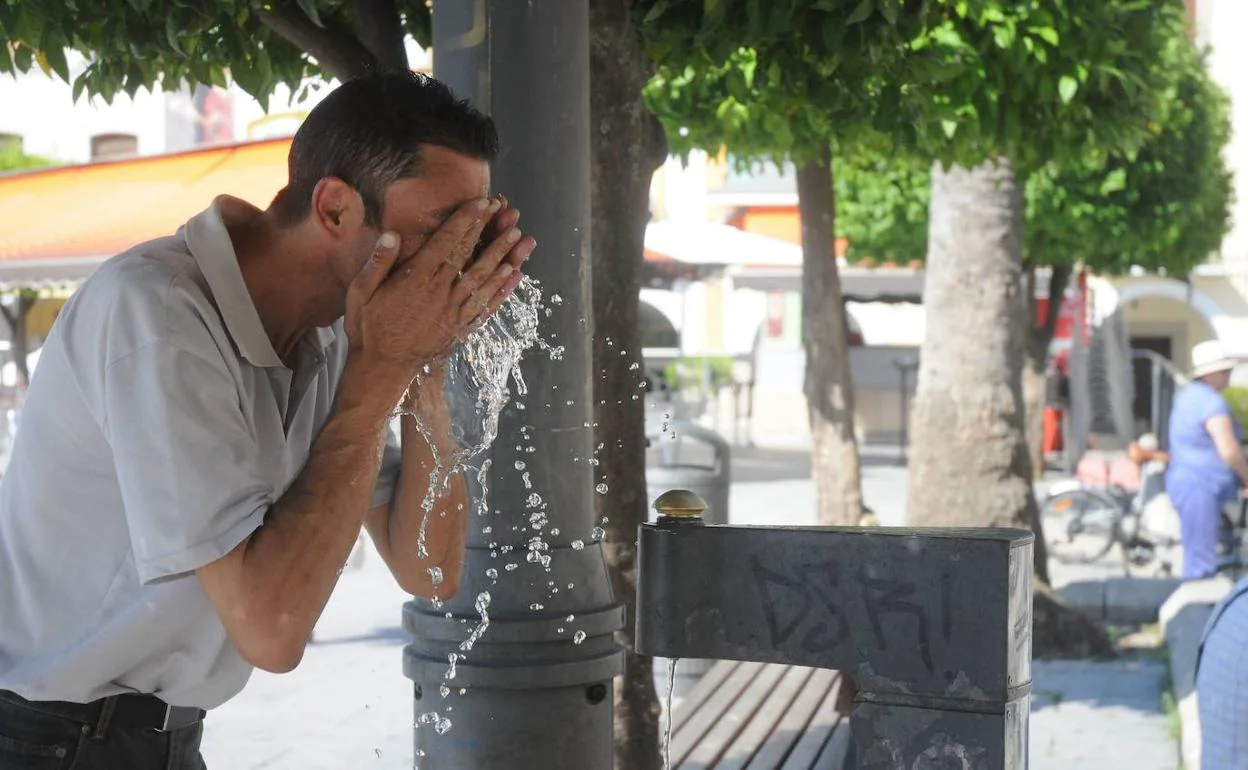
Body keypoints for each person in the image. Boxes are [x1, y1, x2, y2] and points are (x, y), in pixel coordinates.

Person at [0, 71, 535, 768]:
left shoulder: (343, 332)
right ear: (337, 208)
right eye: (442, 230)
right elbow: (272, 629)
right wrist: (382, 371)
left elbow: (428, 568)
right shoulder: (158, 315)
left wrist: (423, 365)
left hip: (155, 740)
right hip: (43, 742)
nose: (458, 259)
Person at [1166, 340, 1248, 579]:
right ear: (1211, 373)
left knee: (1198, 551)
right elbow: (1229, 450)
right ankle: (1199, 610)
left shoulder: (1188, 396)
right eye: (1225, 371)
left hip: (1189, 482)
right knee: (1202, 562)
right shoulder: (1211, 402)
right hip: (1202, 485)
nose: (1228, 376)